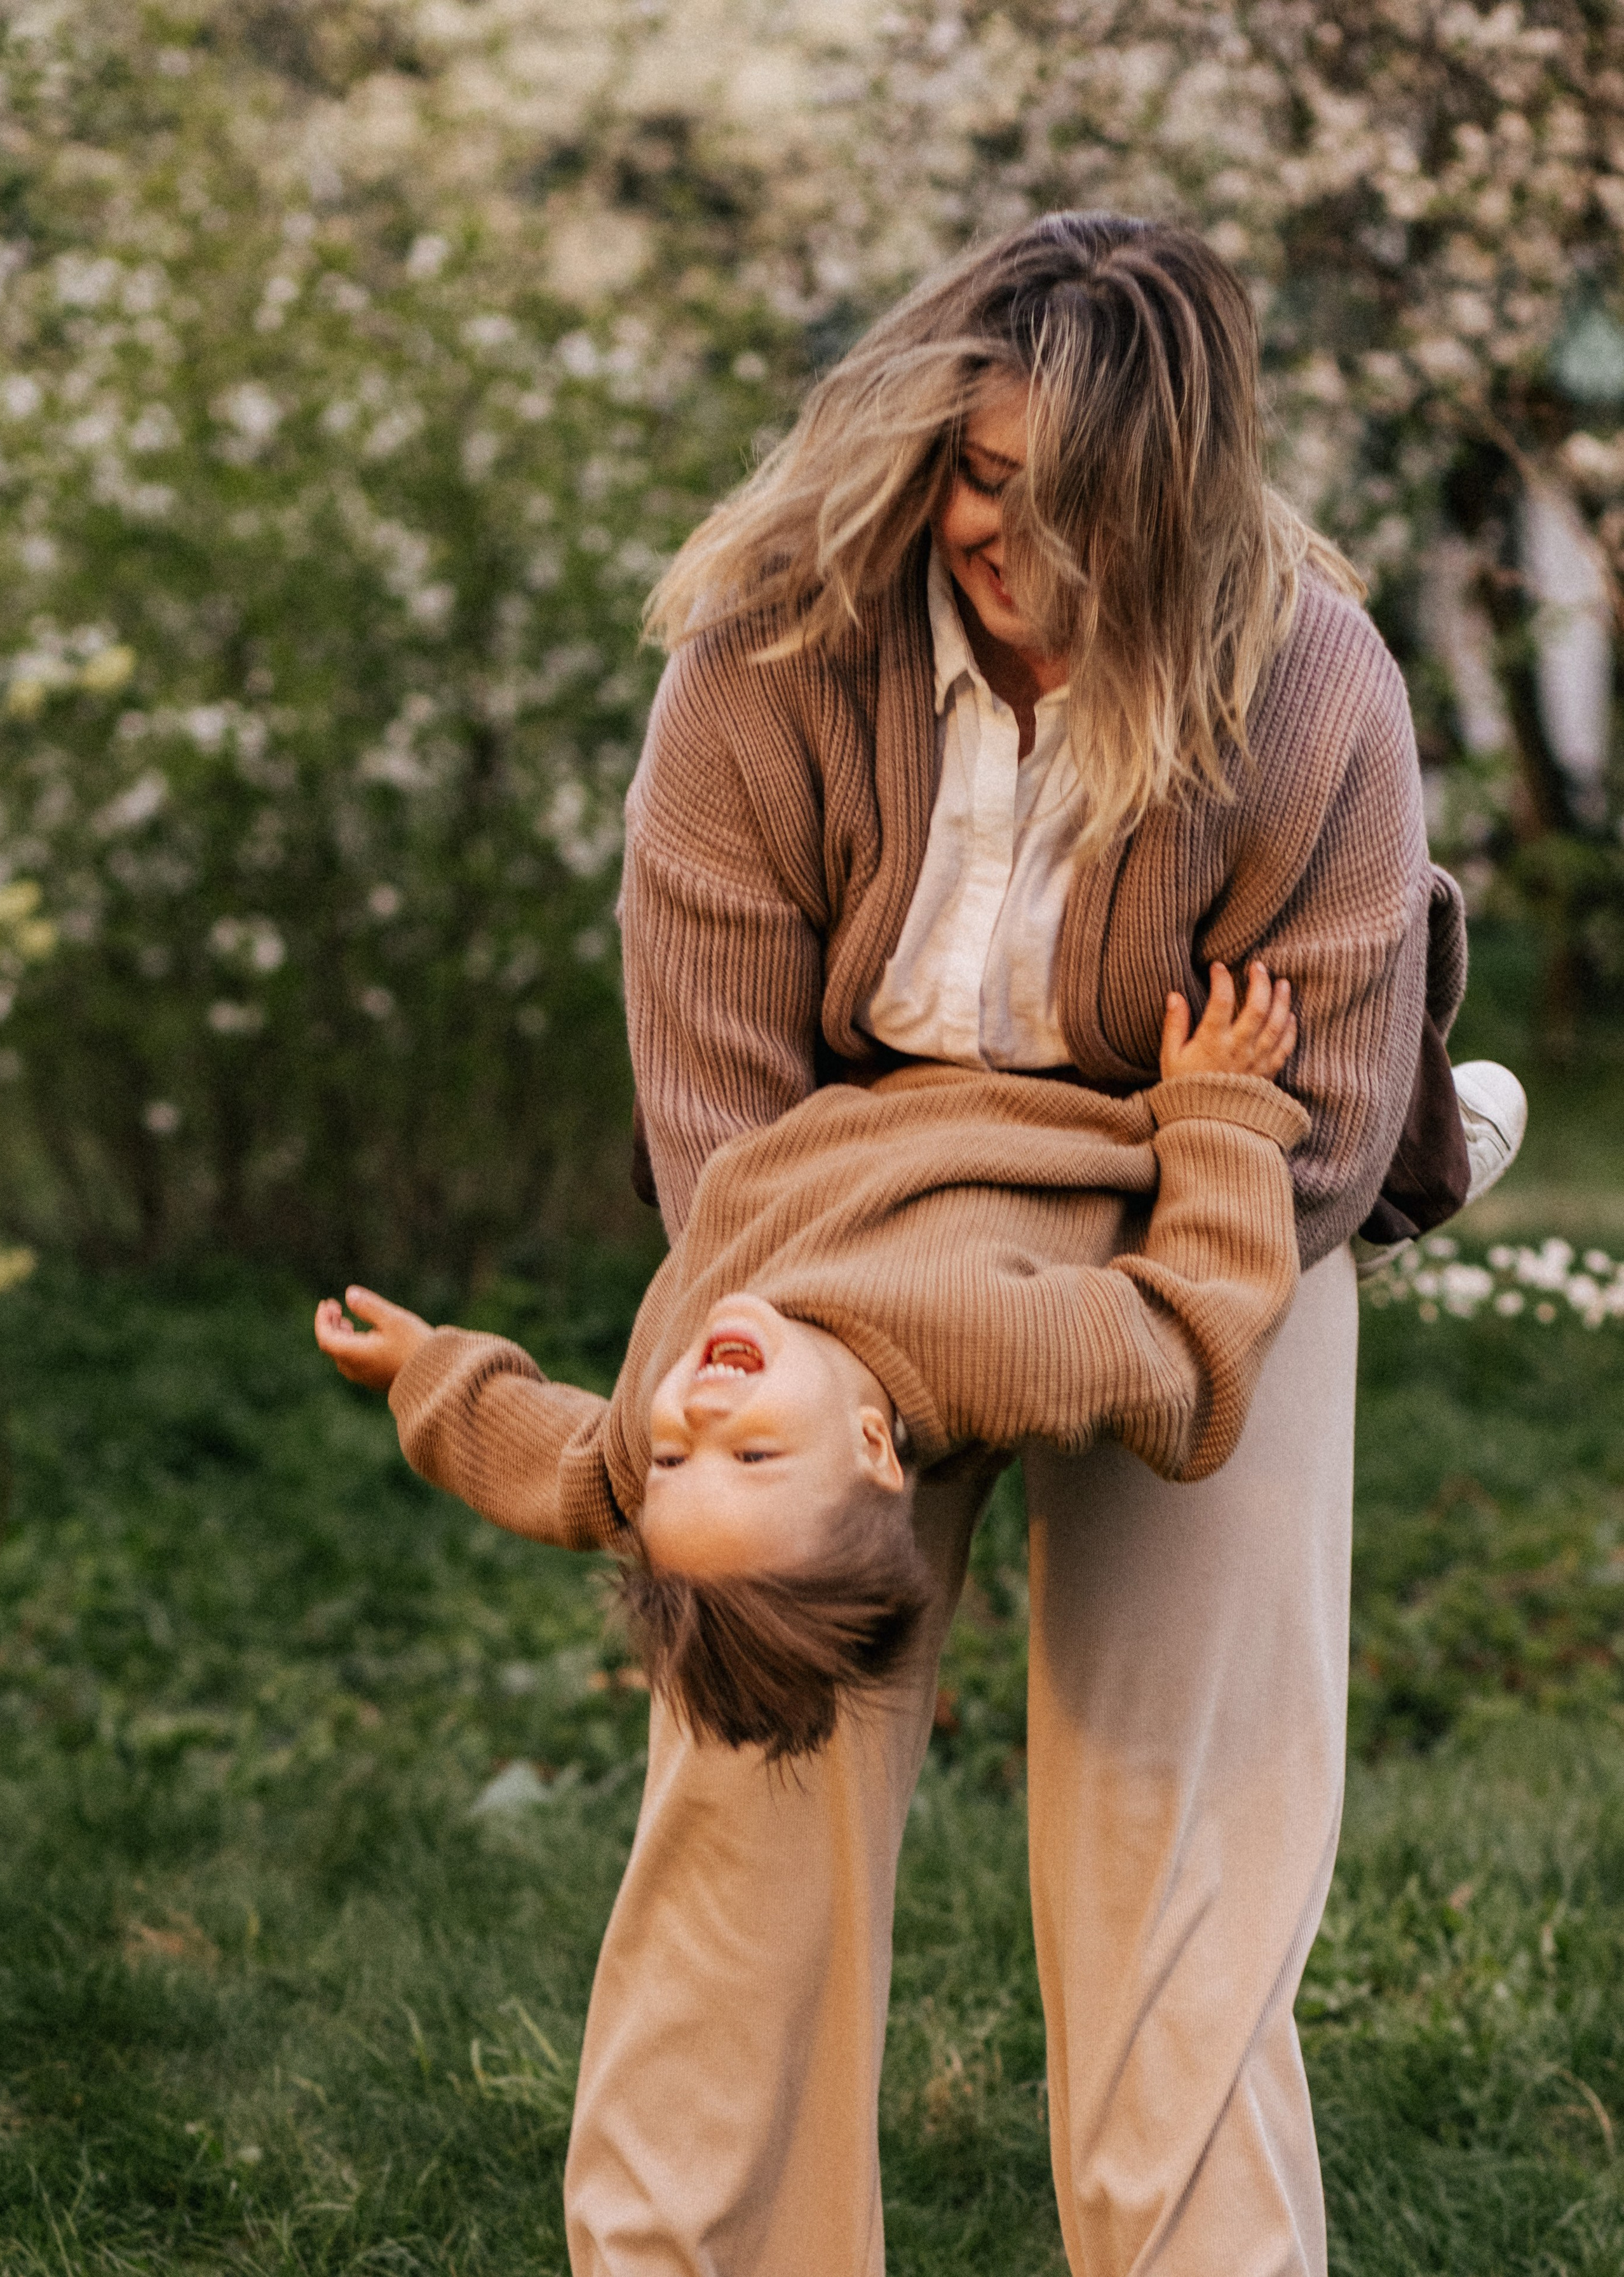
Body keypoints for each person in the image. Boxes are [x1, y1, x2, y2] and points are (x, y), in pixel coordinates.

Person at [577, 208, 1475, 2277]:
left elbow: (1315, 1134)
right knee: (760, 1701)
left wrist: (1082, 1325)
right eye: (983, 478)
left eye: (1079, 511)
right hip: (839, 1207)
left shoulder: (1313, 684)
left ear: (1187, 505)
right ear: (921, 443)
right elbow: (718, 1112)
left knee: (1184, 1777)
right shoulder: (772, 655)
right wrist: (899, 1331)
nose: (1013, 549)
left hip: (1206, 1204)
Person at [316, 961, 1305, 1759]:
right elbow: (1191, 1370)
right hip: (1066, 1079)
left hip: (860, 1058)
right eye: (753, 1460)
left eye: (670, 1464)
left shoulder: (678, 1388)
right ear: (874, 1447)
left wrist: (425, 1370)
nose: (698, 1420)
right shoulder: (999, 1354)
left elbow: (565, 1474)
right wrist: (1219, 1116)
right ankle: (1426, 1158)